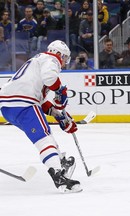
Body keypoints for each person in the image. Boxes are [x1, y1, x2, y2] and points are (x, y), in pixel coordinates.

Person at [0, 40, 81, 193]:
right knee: (44, 138)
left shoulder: (37, 63)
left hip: (9, 107)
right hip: (23, 104)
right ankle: (58, 176)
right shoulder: (50, 59)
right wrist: (59, 91)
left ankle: (59, 160)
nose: (64, 63)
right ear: (60, 54)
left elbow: (42, 102)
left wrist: (59, 116)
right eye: (65, 59)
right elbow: (50, 78)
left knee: (44, 135)